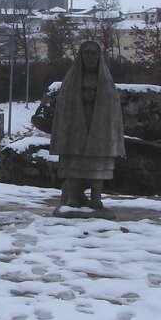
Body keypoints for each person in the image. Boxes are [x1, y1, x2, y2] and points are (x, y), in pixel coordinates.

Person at [49, 40, 124, 209]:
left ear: (99, 56)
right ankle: (73, 198)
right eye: (87, 53)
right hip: (75, 127)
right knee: (73, 162)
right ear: (81, 56)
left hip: (98, 127)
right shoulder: (71, 81)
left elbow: (112, 105)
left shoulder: (105, 81)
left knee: (97, 165)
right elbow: (64, 105)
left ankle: (96, 198)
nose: (90, 57)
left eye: (93, 53)